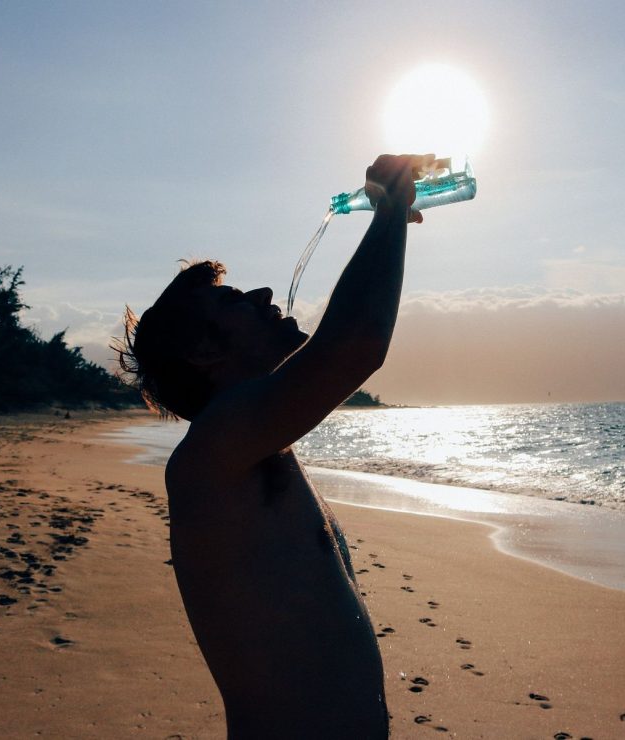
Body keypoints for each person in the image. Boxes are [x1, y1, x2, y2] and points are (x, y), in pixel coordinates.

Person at [117, 154, 432, 739]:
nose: (263, 291)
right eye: (233, 299)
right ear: (205, 353)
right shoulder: (213, 452)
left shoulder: (253, 447)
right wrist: (387, 211)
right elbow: (354, 345)